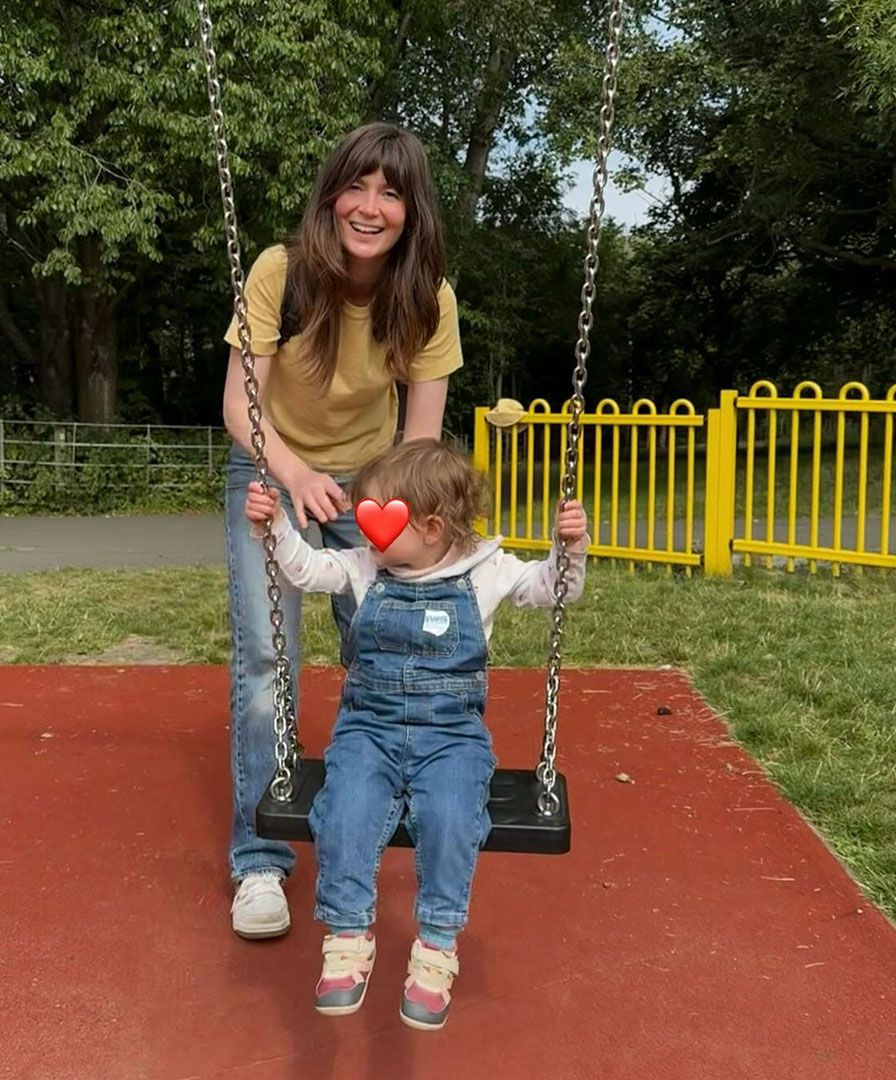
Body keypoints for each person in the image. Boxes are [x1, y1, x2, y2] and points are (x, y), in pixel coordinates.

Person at [243, 439, 587, 1029]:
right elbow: (303, 567)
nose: (368, 533)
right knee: (344, 808)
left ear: (429, 526)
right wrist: (274, 525)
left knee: (454, 816)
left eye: (381, 519)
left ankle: (436, 946)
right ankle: (349, 937)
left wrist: (569, 549)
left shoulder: (487, 569)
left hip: (451, 736)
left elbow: (554, 589)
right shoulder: (362, 568)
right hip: (367, 731)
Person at [222, 122, 463, 941]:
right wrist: (291, 477)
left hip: (374, 483)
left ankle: (371, 815)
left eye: (390, 192)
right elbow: (238, 406)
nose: (370, 207)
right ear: (330, 195)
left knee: (383, 644)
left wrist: (399, 528)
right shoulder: (281, 273)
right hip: (270, 467)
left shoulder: (426, 298)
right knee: (265, 655)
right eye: (356, 187)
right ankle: (260, 859)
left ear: (410, 209)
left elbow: (421, 443)